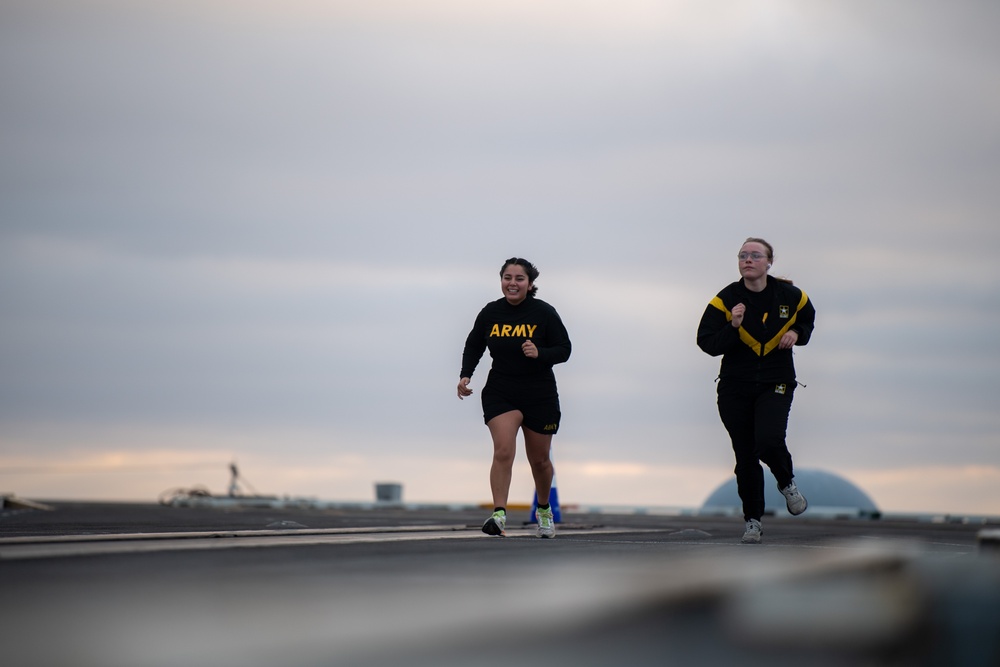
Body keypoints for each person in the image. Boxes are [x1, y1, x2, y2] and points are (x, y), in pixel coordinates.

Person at [697, 238, 816, 544]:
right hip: (735, 386)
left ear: (769, 262)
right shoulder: (725, 300)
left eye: (755, 255)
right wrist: (734, 326)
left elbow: (807, 321)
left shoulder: (792, 296)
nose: (747, 260)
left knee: (768, 440)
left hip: (776, 382)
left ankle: (786, 482)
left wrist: (795, 332)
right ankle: (753, 521)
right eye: (742, 256)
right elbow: (707, 343)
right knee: (745, 454)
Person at [458, 257, 572, 538]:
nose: (512, 283)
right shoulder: (490, 313)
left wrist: (540, 353)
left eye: (519, 279)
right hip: (501, 390)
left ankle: (544, 510)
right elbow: (474, 344)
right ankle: (499, 515)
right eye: (507, 277)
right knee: (504, 450)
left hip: (539, 393)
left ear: (530, 284)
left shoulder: (544, 313)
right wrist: (465, 374)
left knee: (540, 461)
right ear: (501, 281)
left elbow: (564, 349)